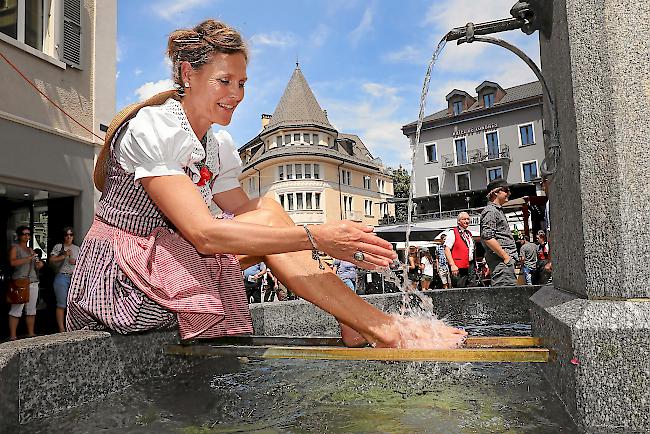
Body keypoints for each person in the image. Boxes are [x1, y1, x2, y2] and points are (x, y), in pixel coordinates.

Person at [66, 19, 466, 349]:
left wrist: (328, 247)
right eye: (224, 81)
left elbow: (252, 218)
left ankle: (358, 320)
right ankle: (381, 327)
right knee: (273, 222)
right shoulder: (154, 127)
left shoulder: (216, 145)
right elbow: (205, 235)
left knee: (269, 209)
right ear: (188, 73)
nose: (236, 95)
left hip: (168, 266)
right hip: (122, 282)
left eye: (242, 84)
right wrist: (319, 237)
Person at [480, 178, 518, 286]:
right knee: (506, 296)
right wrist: (506, 257)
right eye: (506, 190)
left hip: (502, 262)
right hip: (501, 262)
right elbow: (488, 237)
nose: (509, 193)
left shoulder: (495, 210)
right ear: (496, 192)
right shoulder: (491, 211)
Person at [8, 226, 44, 340]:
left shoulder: (30, 249)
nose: (27, 236)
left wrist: (39, 264)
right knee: (16, 309)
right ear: (19, 235)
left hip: (32, 281)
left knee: (32, 310)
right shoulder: (15, 248)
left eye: (28, 234)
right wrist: (29, 258)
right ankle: (13, 336)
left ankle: (31, 334)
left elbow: (35, 265)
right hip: (20, 281)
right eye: (24, 234)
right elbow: (12, 262)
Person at [49, 227, 79, 332]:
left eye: (71, 235)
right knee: (61, 304)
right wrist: (64, 255)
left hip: (74, 278)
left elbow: (84, 263)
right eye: (67, 235)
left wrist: (76, 262)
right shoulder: (59, 247)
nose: (69, 237)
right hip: (62, 276)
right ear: (63, 236)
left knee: (74, 303)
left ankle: (73, 326)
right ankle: (62, 329)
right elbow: (52, 260)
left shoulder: (77, 248)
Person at [444, 212, 476, 288]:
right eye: (464, 219)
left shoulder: (469, 233)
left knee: (472, 287)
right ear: (458, 221)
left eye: (468, 219)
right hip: (459, 267)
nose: (467, 221)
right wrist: (452, 265)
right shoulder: (453, 232)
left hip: (470, 265)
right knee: (460, 287)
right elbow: (446, 249)